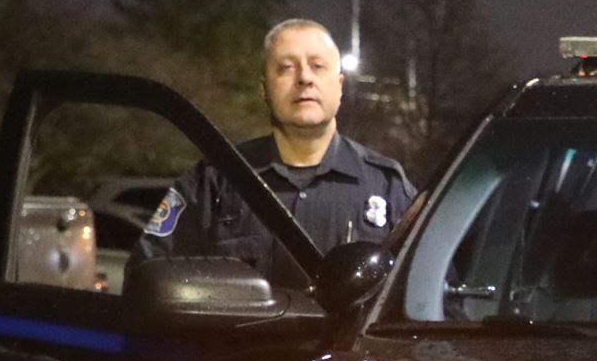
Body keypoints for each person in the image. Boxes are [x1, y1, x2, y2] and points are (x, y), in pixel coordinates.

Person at [135, 18, 414, 284]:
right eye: (285, 68)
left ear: (339, 86)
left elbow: (429, 295)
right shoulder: (215, 181)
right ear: (264, 89)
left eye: (317, 66)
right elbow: (147, 276)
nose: (304, 78)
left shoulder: (387, 187)